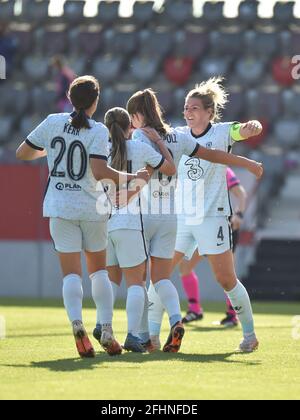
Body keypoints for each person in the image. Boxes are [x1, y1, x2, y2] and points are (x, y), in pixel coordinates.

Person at [16, 76, 149, 358]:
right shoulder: (98, 130)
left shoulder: (52, 121)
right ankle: (108, 329)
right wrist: (132, 178)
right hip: (92, 208)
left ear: (69, 95)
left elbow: (23, 152)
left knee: (71, 275)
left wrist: (49, 152)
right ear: (95, 100)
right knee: (98, 272)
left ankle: (77, 324)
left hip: (59, 207)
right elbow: (101, 172)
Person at [126, 87, 263, 353]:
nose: (188, 112)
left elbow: (242, 131)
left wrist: (251, 128)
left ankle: (249, 334)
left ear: (209, 112)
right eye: (186, 108)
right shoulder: (176, 135)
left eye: (194, 108)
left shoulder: (223, 131)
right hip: (180, 218)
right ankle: (152, 338)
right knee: (160, 276)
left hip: (212, 217)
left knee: (226, 279)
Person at [99, 107, 176, 353]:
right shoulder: (140, 148)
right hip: (130, 224)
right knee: (135, 283)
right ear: (129, 127)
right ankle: (133, 336)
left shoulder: (100, 152)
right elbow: (169, 169)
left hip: (103, 223)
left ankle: (104, 326)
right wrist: (157, 145)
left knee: (111, 281)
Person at [179, 167, 248, 327]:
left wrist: (239, 214)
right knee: (185, 267)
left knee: (228, 274)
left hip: (221, 224)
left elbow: (241, 194)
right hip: (199, 224)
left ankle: (233, 314)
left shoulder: (223, 170)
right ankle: (195, 310)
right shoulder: (193, 168)